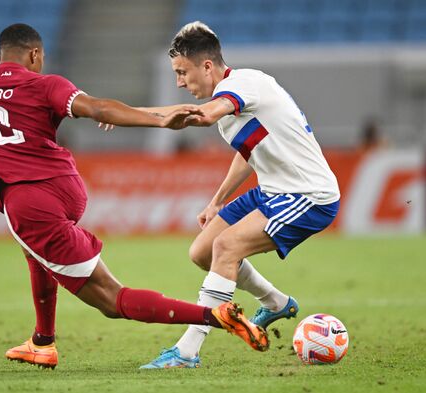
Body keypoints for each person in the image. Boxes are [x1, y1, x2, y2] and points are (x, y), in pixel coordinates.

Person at [0, 23, 269, 370]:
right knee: (35, 251)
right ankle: (42, 341)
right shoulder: (46, 84)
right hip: (66, 186)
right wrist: (159, 120)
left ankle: (215, 315)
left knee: (112, 300)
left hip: (28, 201)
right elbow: (98, 108)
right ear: (35, 55)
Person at [134, 22, 340, 369]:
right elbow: (249, 151)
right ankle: (275, 302)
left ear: (208, 66)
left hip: (309, 194)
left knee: (227, 247)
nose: (180, 82)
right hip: (273, 190)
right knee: (201, 251)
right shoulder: (234, 100)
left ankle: (187, 352)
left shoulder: (242, 84)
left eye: (183, 72)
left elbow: (203, 116)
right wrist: (217, 201)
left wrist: (136, 116)